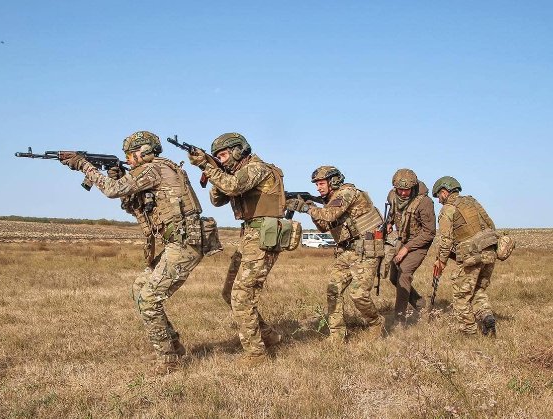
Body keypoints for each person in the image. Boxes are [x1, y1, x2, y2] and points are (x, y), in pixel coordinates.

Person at [60, 131, 205, 373]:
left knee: (149, 298)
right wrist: (117, 176)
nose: (128, 159)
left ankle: (169, 361)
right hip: (176, 242)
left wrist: (84, 165)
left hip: (184, 243)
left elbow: (111, 190)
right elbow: (135, 207)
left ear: (145, 151)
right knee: (140, 288)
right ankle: (174, 346)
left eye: (131, 154)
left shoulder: (154, 168)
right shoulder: (153, 171)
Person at [187, 132, 284, 367]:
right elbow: (217, 199)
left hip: (264, 235)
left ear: (239, 150)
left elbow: (232, 186)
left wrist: (206, 165)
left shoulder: (257, 168)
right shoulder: (234, 172)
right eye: (217, 156)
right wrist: (214, 169)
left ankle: (256, 355)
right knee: (229, 292)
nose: (221, 160)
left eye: (223, 155)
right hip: (250, 235)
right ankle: (269, 336)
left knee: (241, 296)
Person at [286, 166, 385, 342]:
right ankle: (337, 335)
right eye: (316, 185)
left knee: (358, 294)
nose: (318, 188)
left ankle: (376, 323)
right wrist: (311, 207)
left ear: (334, 181)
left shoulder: (347, 192)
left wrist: (306, 208)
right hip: (346, 251)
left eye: (321, 183)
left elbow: (330, 215)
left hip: (366, 249)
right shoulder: (331, 200)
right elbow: (324, 226)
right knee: (333, 290)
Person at [432, 176, 498, 337]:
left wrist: (441, 261)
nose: (439, 201)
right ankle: (487, 318)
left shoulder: (447, 209)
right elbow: (490, 224)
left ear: (444, 192)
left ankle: (468, 333)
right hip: (490, 251)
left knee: (461, 296)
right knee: (477, 290)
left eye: (439, 196)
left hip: (472, 256)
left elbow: (446, 240)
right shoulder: (472, 201)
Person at [386, 169, 436, 325]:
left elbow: (429, 232)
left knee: (403, 275)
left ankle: (399, 321)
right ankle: (420, 305)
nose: (403, 193)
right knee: (394, 278)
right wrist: (389, 223)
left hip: (419, 243)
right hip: (401, 240)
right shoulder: (392, 195)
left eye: (406, 190)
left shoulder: (424, 202)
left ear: (413, 187)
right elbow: (393, 213)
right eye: (399, 189)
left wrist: (406, 248)